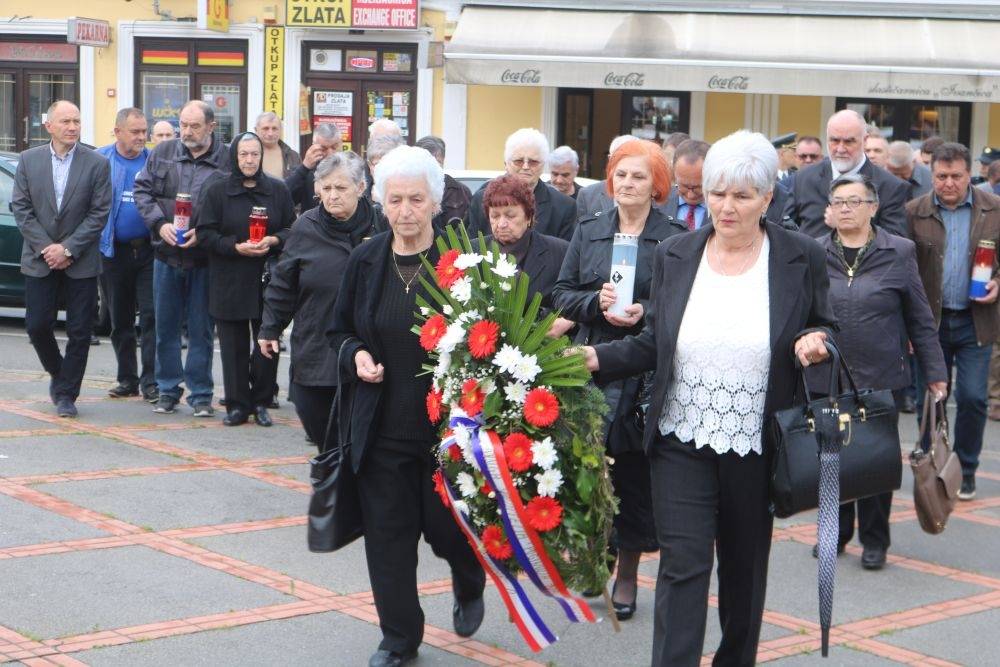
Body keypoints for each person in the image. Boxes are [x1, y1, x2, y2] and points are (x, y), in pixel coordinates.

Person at [580, 130, 835, 666]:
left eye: (742, 195)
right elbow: (656, 342)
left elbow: (824, 324)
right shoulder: (677, 252)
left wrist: (816, 341)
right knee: (682, 567)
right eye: (718, 193)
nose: (727, 206)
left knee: (743, 573)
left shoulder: (801, 255)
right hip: (681, 437)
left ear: (767, 197)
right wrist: (596, 358)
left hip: (756, 441)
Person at [328, 145, 486, 667]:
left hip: (446, 434)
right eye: (395, 200)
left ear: (435, 201)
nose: (405, 211)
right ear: (381, 202)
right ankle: (399, 638)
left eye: (416, 199)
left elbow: (492, 337)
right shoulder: (366, 260)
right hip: (381, 432)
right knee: (388, 541)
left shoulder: (463, 262)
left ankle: (469, 577)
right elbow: (338, 330)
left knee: (447, 531)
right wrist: (356, 355)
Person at [552, 139, 683, 622]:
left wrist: (643, 310)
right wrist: (596, 302)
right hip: (589, 363)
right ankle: (597, 554)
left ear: (656, 185)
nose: (627, 184)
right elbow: (562, 294)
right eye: (621, 175)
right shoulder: (589, 229)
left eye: (638, 177)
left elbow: (680, 303)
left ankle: (626, 571)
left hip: (641, 368)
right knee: (589, 465)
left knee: (632, 474)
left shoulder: (674, 237)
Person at [816, 174, 948, 570]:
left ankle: (875, 540)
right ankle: (835, 533)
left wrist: (935, 371)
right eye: (838, 202)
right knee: (831, 459)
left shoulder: (899, 251)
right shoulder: (814, 252)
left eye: (854, 202)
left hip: (881, 374)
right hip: (829, 374)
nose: (845, 209)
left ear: (873, 208)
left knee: (875, 461)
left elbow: (920, 317)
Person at [258, 151, 384, 443]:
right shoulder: (306, 226)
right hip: (316, 346)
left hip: (368, 350)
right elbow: (283, 283)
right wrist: (270, 328)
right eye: (326, 188)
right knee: (320, 431)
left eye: (341, 188)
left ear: (361, 187)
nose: (332, 196)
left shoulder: (381, 225)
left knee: (356, 439)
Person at [907, 142, 1000, 501]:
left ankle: (967, 469)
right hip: (929, 324)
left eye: (956, 176)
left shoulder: (993, 209)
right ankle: (932, 466)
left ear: (969, 175)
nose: (948, 183)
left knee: (973, 397)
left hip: (976, 320)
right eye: (941, 176)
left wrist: (998, 282)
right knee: (930, 400)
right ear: (931, 175)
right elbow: (903, 270)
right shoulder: (914, 212)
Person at [11, 100, 112, 418]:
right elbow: (22, 209)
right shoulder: (28, 160)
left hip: (80, 261)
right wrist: (49, 248)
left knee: (80, 331)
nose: (72, 127)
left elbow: (99, 213)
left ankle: (67, 394)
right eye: (65, 121)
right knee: (37, 326)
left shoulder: (96, 163)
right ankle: (59, 372)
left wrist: (68, 249)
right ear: (49, 126)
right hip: (40, 259)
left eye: (76, 121)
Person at [134, 99, 229, 417]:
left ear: (211, 127)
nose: (186, 132)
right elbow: (142, 192)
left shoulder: (226, 159)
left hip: (205, 259)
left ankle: (201, 394)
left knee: (201, 330)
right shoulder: (163, 152)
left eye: (194, 126)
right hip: (166, 255)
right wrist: (158, 224)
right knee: (165, 327)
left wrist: (205, 232)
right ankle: (167, 389)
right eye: (183, 125)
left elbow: (232, 205)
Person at [196, 132, 294, 427]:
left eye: (255, 154)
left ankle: (262, 401)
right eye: (244, 154)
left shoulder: (277, 190)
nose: (250, 160)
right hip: (229, 278)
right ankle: (237, 404)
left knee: (267, 343)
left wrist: (274, 240)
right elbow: (205, 234)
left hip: (267, 278)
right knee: (233, 346)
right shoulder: (217, 190)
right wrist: (235, 246)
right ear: (234, 156)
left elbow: (292, 230)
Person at [96, 107, 157, 403]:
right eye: (135, 131)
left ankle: (151, 381)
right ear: (118, 131)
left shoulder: (154, 161)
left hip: (149, 250)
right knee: (120, 319)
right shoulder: (100, 160)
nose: (141, 137)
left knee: (152, 316)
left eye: (144, 131)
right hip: (113, 251)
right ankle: (127, 379)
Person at [783, 110, 909, 238]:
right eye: (834, 140)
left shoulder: (891, 187)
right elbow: (783, 229)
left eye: (849, 141)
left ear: (865, 140)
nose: (840, 149)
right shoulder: (804, 178)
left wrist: (847, 226)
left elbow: (896, 241)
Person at [481, 174, 573, 336]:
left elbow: (580, 297)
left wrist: (569, 321)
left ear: (529, 217)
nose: (501, 224)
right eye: (495, 216)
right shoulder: (474, 253)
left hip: (545, 343)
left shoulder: (560, 251)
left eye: (510, 216)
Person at [467, 128, 576, 241]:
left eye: (533, 162)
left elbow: (566, 250)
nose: (525, 167)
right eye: (518, 161)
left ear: (543, 165)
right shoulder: (481, 199)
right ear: (506, 164)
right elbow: (470, 246)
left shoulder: (564, 206)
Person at [576, 135, 641, 219]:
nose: (627, 162)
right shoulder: (587, 195)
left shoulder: (652, 194)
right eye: (620, 157)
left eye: (632, 157)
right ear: (610, 159)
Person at [415, 135, 471, 228]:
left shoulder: (460, 192)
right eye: (428, 162)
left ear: (443, 161)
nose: (433, 167)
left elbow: (469, 229)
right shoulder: (407, 191)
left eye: (437, 162)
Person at [286, 122, 342, 211]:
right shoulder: (306, 171)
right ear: (313, 145)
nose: (330, 153)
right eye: (324, 149)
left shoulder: (350, 168)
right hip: (312, 219)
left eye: (334, 147)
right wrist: (304, 167)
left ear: (341, 144)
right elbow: (284, 199)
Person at [665, 139, 710, 231]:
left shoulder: (724, 209)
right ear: (674, 173)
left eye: (698, 187)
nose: (690, 195)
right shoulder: (658, 203)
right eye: (684, 186)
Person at [255, 111, 301, 180]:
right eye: (266, 128)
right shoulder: (246, 154)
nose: (270, 133)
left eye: (274, 129)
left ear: (281, 130)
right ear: (256, 130)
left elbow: (300, 182)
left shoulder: (293, 156)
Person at [365, 133, 405, 201]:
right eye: (378, 164)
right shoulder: (360, 193)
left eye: (389, 165)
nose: (383, 170)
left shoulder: (409, 192)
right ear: (370, 166)